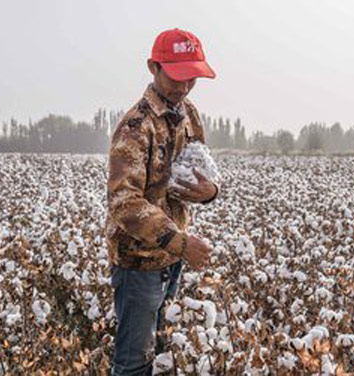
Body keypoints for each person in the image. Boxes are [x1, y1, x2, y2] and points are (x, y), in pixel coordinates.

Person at [105, 28, 219, 375]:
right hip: (138, 261)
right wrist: (181, 243)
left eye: (192, 78)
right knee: (133, 363)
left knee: (163, 350)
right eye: (177, 77)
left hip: (172, 256)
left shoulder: (189, 114)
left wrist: (210, 191)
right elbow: (124, 203)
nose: (184, 87)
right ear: (153, 67)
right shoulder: (135, 127)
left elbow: (201, 165)